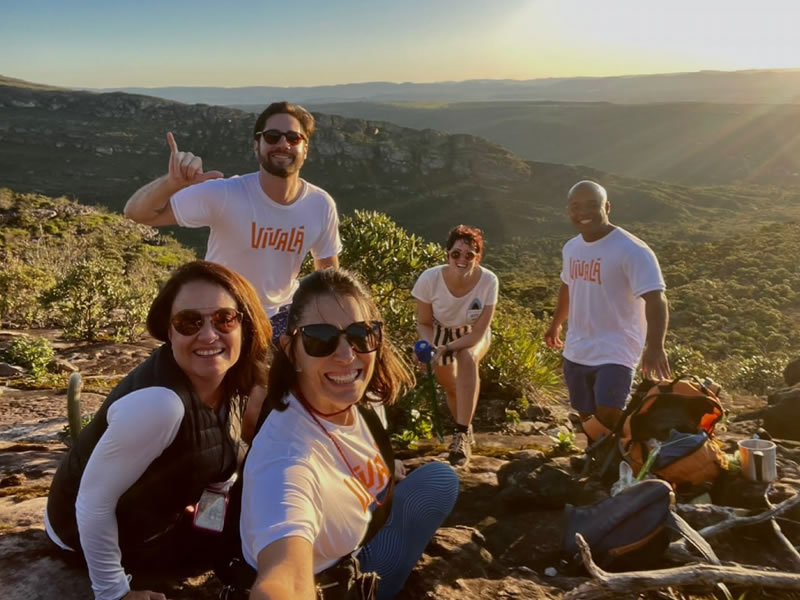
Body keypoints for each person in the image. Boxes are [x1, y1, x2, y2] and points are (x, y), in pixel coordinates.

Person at [45, 260, 271, 600]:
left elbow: (220, 477)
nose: (209, 334)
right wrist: (115, 592)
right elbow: (92, 503)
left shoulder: (234, 383)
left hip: (158, 520)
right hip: (89, 537)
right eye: (188, 322)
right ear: (169, 331)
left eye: (225, 318)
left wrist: (210, 532)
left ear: (245, 325)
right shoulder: (160, 405)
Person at [123, 101, 341, 441]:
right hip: (223, 317)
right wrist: (171, 183)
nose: (283, 144)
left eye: (293, 138)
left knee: (280, 407)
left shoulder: (320, 204)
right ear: (257, 144)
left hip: (280, 319)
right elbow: (138, 213)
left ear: (305, 148)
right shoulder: (227, 194)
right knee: (218, 407)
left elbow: (327, 277)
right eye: (272, 136)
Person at [241, 268, 459, 600]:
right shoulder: (285, 457)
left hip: (361, 528)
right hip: (333, 582)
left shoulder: (356, 399)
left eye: (360, 334)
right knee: (439, 481)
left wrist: (385, 469)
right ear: (291, 350)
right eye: (320, 338)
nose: (346, 355)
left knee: (441, 478)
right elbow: (283, 578)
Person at [544, 180, 671, 440]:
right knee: (585, 412)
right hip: (578, 346)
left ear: (607, 207)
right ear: (568, 210)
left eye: (592, 205)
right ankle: (598, 459)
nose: (583, 213)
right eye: (575, 206)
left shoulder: (632, 250)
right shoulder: (572, 247)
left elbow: (656, 299)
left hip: (617, 348)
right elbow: (567, 285)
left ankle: (621, 462)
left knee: (610, 412)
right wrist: (556, 323)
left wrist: (656, 346)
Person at [411, 225, 498, 468]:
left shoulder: (489, 281)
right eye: (456, 254)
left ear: (477, 257)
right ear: (447, 254)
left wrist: (448, 349)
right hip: (439, 332)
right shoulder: (429, 279)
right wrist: (429, 347)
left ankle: (460, 436)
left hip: (472, 334)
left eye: (469, 255)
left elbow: (479, 331)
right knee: (452, 388)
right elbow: (424, 322)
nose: (462, 259)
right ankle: (466, 427)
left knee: (467, 358)